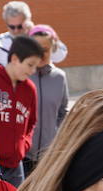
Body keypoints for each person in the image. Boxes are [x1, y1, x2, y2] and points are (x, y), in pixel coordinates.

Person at [0, 34, 42, 187]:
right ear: (15, 59)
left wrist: (24, 145)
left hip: (16, 165)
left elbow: (31, 122)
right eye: (30, 65)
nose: (32, 71)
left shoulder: (30, 89)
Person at [24, 24, 68, 177]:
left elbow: (62, 113)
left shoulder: (60, 77)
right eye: (37, 49)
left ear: (53, 49)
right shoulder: (23, 76)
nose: (41, 55)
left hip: (50, 156)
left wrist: (57, 139)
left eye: (46, 50)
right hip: (23, 155)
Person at [0, 1, 33, 72]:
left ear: (28, 22)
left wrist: (34, 34)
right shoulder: (0, 42)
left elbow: (55, 57)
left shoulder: (37, 37)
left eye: (20, 26)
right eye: (12, 27)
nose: (16, 31)